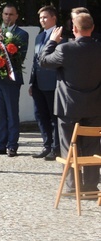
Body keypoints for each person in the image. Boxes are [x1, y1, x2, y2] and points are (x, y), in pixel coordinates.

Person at [39, 12, 101, 193]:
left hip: (69, 107)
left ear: (74, 29)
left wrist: (52, 41)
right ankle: (90, 186)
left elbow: (43, 61)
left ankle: (72, 186)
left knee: (69, 147)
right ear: (93, 28)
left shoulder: (65, 49)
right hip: (95, 106)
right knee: (92, 147)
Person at [0, 4, 30, 157]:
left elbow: (20, 57)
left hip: (11, 78)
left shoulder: (22, 34)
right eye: (5, 14)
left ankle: (12, 144)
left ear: (17, 16)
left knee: (12, 112)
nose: (8, 17)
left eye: (11, 14)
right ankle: (0, 143)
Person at [29, 5, 61, 160]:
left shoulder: (59, 35)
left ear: (53, 18)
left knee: (53, 116)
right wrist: (31, 82)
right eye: (40, 17)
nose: (42, 20)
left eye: (45, 17)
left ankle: (56, 147)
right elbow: (36, 61)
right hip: (38, 83)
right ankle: (46, 145)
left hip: (52, 82)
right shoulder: (39, 36)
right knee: (40, 115)